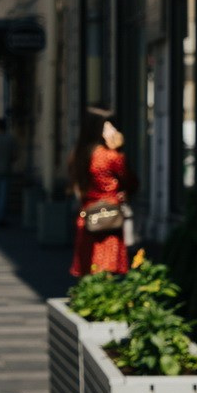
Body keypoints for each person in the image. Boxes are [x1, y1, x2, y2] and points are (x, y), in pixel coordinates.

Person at [69, 107, 132, 277]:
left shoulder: (78, 155)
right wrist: (119, 149)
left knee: (88, 267)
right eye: (108, 126)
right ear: (99, 130)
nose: (113, 130)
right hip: (110, 217)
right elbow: (129, 181)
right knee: (107, 267)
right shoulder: (110, 156)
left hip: (88, 216)